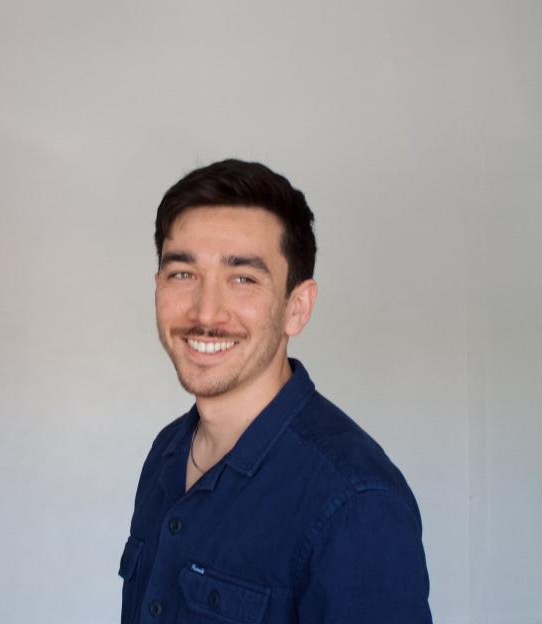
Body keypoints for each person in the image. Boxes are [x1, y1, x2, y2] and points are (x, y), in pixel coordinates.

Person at [119, 159, 432, 623]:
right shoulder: (168, 451)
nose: (205, 312)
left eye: (243, 278)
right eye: (182, 274)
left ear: (297, 307)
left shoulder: (356, 502)